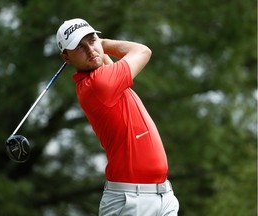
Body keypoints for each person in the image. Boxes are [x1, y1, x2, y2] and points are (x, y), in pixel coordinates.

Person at [56, 18, 179, 216]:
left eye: (92, 40)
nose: (90, 50)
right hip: (130, 202)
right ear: (66, 58)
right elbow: (142, 51)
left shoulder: (102, 76)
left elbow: (103, 61)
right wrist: (102, 44)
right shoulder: (99, 84)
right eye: (80, 47)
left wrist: (95, 48)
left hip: (162, 195)